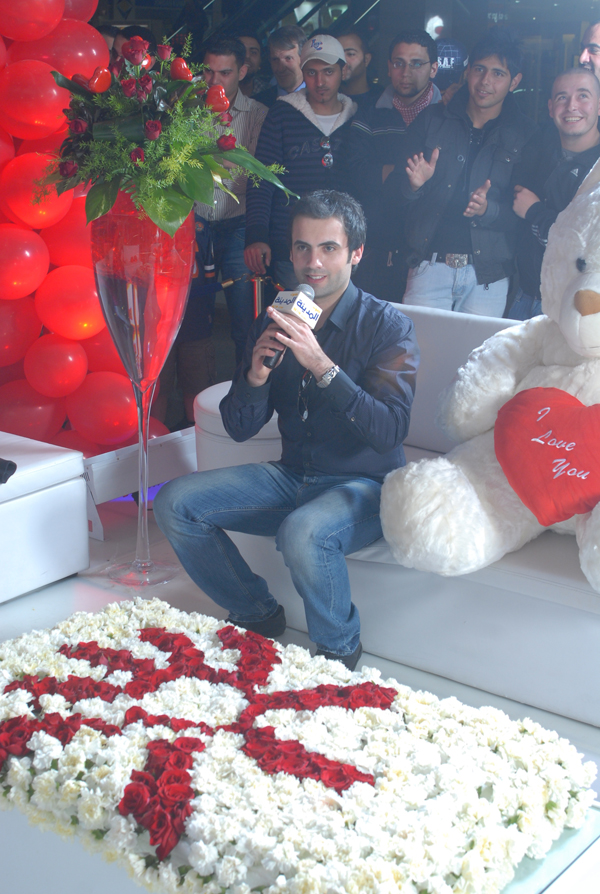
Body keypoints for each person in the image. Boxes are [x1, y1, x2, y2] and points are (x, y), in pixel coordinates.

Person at [153, 190, 419, 670]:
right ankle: (257, 613)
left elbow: (389, 431)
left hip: (365, 485)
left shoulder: (388, 327)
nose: (313, 263)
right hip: (292, 475)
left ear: (356, 253)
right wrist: (255, 376)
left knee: (303, 531)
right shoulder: (276, 317)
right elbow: (239, 427)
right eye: (302, 247)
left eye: (329, 248)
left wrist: (321, 365)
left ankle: (337, 651)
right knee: (175, 501)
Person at [385, 28, 537, 317]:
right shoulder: (432, 119)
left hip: (488, 275)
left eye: (498, 73)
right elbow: (392, 194)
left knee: (476, 349)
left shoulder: (524, 134)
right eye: (479, 69)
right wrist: (413, 185)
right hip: (428, 265)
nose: (485, 81)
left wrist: (488, 210)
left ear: (515, 81)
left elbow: (525, 215)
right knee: (417, 346)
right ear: (467, 72)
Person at [245, 34, 357, 290]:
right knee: (296, 312)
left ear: (342, 71)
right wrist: (256, 235)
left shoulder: (356, 117)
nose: (320, 81)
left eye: (328, 72)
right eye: (312, 72)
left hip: (342, 246)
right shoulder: (282, 113)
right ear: (302, 73)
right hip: (292, 247)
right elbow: (262, 177)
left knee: (337, 312)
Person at [342, 30, 441, 301]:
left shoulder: (450, 114)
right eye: (398, 63)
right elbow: (357, 173)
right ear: (388, 67)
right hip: (379, 246)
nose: (405, 72)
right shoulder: (369, 112)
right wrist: (405, 175)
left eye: (416, 63)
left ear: (433, 68)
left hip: (433, 252)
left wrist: (386, 171)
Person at [509, 68, 600, 320]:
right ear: (551, 108)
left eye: (583, 96)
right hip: (525, 295)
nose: (571, 106)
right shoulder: (538, 151)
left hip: (574, 309)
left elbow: (582, 250)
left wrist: (535, 212)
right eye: (562, 97)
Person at [255, 25, 306, 108]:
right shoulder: (258, 105)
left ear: (303, 58)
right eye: (275, 59)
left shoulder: (322, 98)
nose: (281, 68)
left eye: (288, 58)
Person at [336, 27, 382, 110]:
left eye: (350, 54)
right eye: (338, 54)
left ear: (366, 59)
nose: (343, 60)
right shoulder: (327, 98)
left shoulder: (383, 100)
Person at [236, 31, 270, 98]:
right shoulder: (217, 87)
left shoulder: (269, 92)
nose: (247, 56)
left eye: (253, 52)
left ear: (260, 61)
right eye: (241, 51)